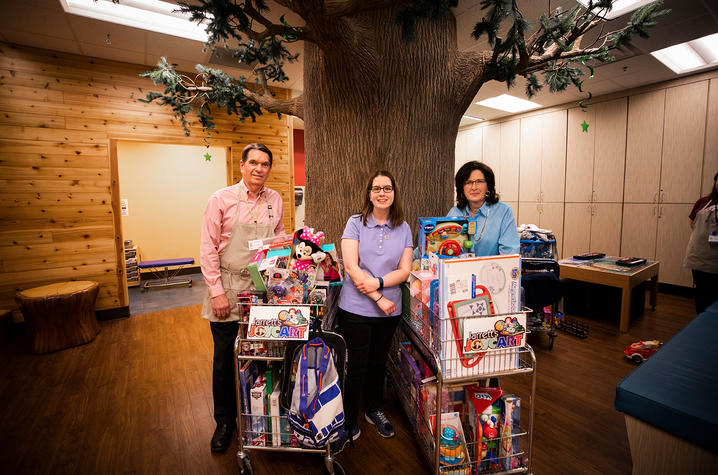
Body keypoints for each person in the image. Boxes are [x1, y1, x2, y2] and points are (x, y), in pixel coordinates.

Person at [200, 143, 285, 453]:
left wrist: (282, 282)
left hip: (262, 289)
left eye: (264, 164)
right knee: (224, 358)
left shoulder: (274, 199)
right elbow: (207, 248)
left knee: (262, 353)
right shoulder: (220, 199)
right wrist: (217, 292)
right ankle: (224, 422)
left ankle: (259, 413)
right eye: (253, 162)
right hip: (228, 286)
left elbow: (278, 239)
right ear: (242, 165)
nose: (258, 168)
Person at [332, 170, 413, 453]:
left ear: (394, 193)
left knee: (379, 362)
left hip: (390, 310)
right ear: (369, 193)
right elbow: (351, 267)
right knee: (355, 365)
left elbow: (404, 270)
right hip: (356, 307)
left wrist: (378, 282)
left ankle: (374, 410)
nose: (382, 193)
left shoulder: (403, 227)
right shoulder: (355, 223)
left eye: (387, 188)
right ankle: (348, 420)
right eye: (376, 188)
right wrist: (378, 296)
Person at [447, 161, 520, 256]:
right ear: (462, 188)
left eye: (479, 181)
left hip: (491, 270)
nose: (474, 187)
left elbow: (510, 253)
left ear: (488, 186)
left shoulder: (503, 212)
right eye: (468, 182)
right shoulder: (454, 212)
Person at [684, 172, 718, 314]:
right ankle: (700, 319)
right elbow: (692, 223)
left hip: (715, 258)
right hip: (699, 255)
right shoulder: (703, 201)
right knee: (701, 292)